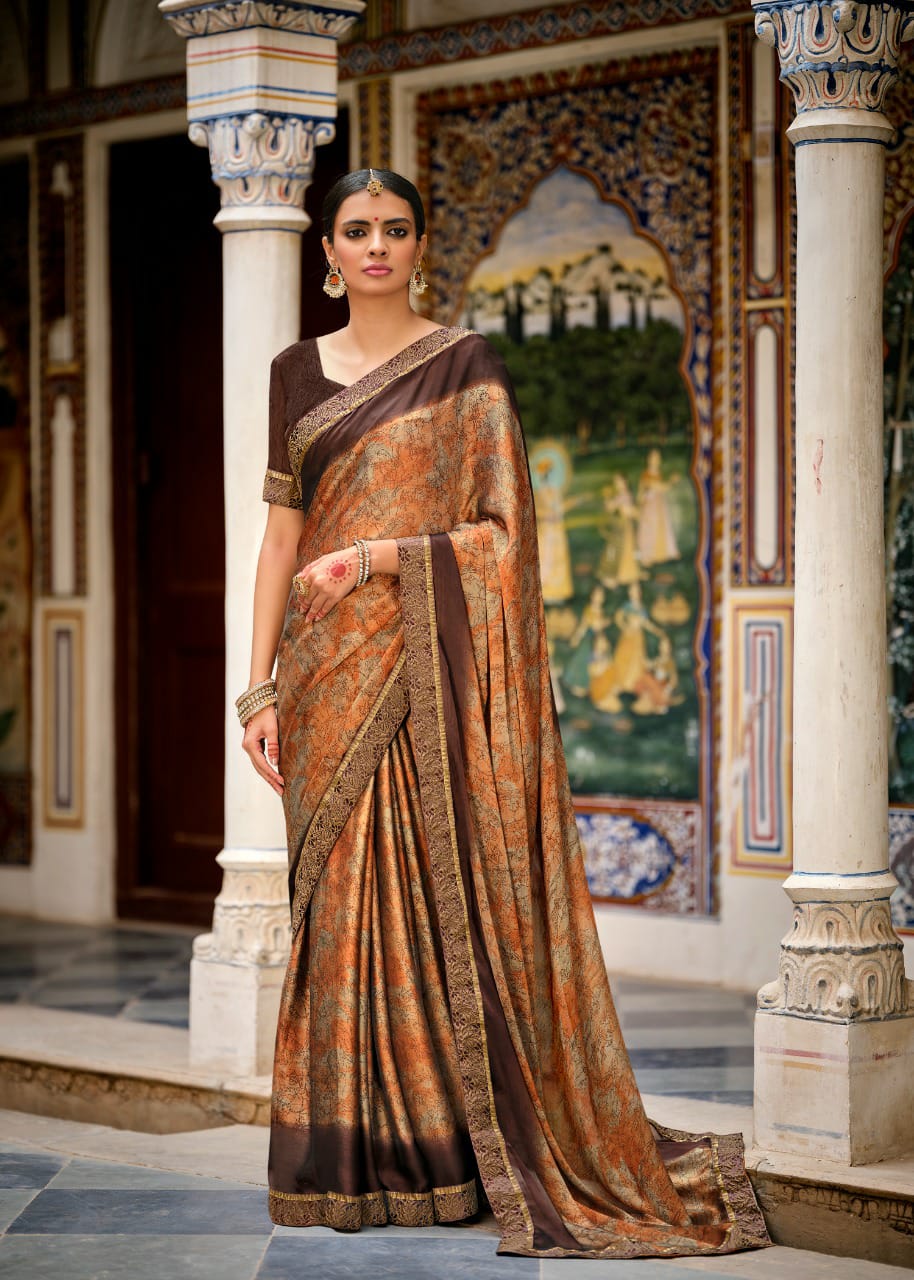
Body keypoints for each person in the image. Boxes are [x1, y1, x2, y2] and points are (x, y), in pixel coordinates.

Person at [237, 168, 768, 1260]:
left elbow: (504, 535)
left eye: (394, 229)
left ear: (417, 245)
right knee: (339, 909)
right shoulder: (295, 372)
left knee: (433, 902)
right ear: (325, 252)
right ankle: (352, 1157)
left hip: (419, 658)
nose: (375, 246)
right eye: (355, 230)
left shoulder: (466, 364)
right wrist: (258, 689)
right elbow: (280, 540)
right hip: (323, 672)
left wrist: (380, 556)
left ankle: (446, 1154)